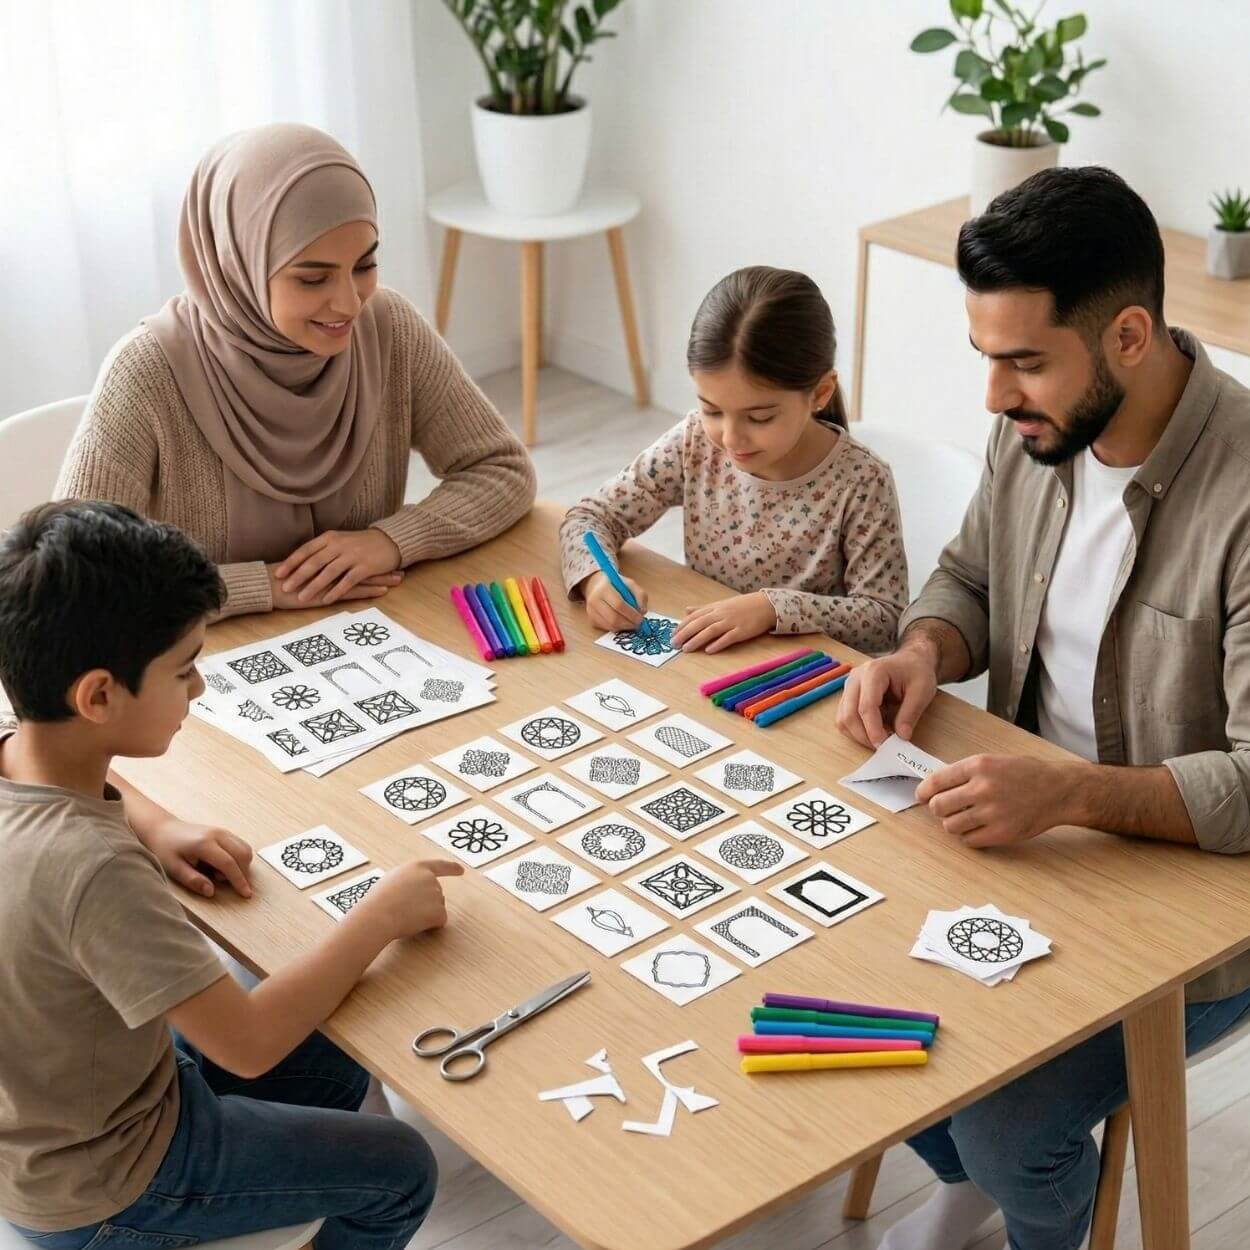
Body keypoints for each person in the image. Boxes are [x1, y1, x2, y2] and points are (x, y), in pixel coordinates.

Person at [835, 167, 1250, 1250]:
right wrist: (924, 647)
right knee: (818, 980)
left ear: (1125, 335)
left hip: (1189, 905)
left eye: (1022, 362)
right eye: (985, 357)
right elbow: (968, 576)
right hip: (1015, 838)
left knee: (1008, 1118)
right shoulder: (1034, 431)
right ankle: (974, 1174)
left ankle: (1022, 1198)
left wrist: (1066, 789)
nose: (992, 396)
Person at [0, 500, 462, 1248]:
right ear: (99, 695)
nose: (199, 690)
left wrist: (156, 826)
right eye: (183, 670)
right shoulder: (92, 869)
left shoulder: (23, 757)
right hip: (105, 1185)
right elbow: (244, 1045)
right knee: (403, 1165)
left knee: (337, 1054)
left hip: (63, 1113)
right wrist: (379, 916)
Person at [56, 123, 536, 619]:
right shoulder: (147, 373)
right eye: (312, 278)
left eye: (365, 265)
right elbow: (75, 577)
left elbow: (503, 472)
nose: (350, 302)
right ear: (235, 264)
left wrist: (391, 541)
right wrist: (258, 586)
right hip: (201, 664)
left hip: (376, 639)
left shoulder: (388, 329)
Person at [559, 266, 908, 654]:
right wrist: (596, 581)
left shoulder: (861, 480)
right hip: (703, 661)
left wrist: (770, 608)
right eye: (711, 410)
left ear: (820, 392)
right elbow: (589, 518)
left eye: (759, 418)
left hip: (795, 679)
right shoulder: (694, 442)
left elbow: (884, 620)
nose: (730, 438)